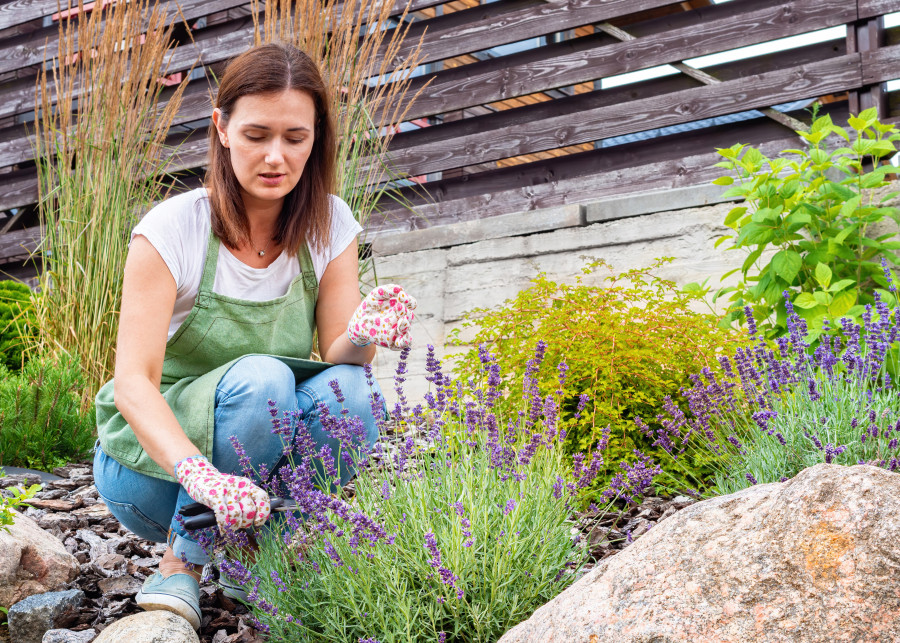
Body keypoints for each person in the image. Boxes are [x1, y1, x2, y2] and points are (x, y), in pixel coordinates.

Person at [91, 41, 416, 631]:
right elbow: (132, 384)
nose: (276, 157)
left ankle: (265, 550)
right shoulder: (173, 229)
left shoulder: (330, 222)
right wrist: (201, 475)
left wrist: (366, 331)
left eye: (296, 138)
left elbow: (342, 356)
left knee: (355, 391)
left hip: (251, 477)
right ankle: (181, 563)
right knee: (265, 379)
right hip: (154, 474)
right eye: (256, 135)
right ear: (221, 128)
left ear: (317, 136)